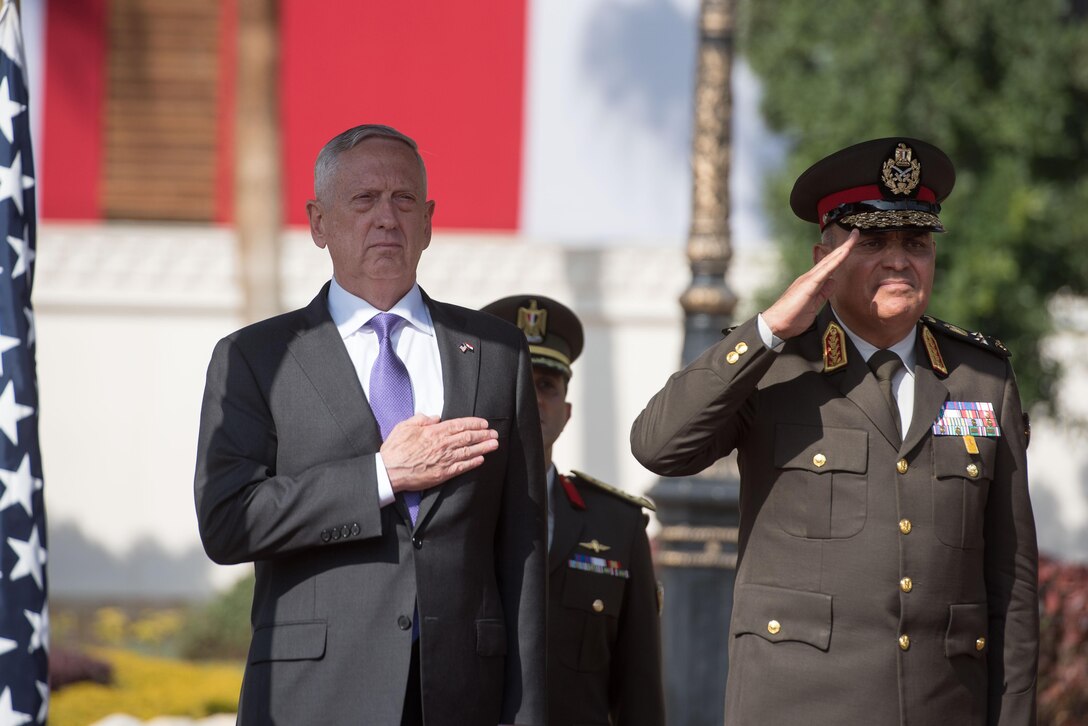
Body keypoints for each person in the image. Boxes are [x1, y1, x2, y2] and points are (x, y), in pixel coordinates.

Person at [631, 138, 1038, 725]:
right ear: (824, 255)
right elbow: (659, 447)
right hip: (800, 706)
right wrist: (769, 329)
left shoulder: (980, 377)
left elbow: (1013, 583)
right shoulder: (775, 365)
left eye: (916, 243)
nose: (899, 260)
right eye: (871, 242)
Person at [194, 124, 547, 726]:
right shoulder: (259, 356)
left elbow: (523, 551)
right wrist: (382, 475)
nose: (387, 217)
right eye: (363, 200)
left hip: (462, 694)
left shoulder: (495, 351)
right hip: (316, 695)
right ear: (318, 222)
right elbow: (228, 522)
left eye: (404, 199)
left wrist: (528, 713)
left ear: (429, 221)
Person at [481, 294, 665, 726]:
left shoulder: (618, 526)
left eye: (547, 384)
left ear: (565, 413)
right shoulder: (439, 512)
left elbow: (638, 689)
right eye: (518, 382)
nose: (533, 397)